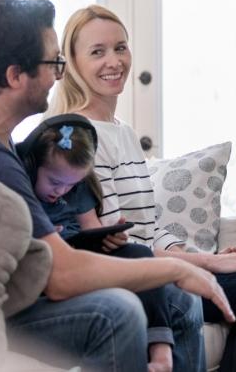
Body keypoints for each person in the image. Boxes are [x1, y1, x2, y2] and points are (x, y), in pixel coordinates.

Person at [0, 0, 235, 372]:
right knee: (118, 312)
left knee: (177, 300)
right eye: (54, 63)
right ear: (15, 75)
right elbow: (61, 277)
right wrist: (178, 269)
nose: (59, 75)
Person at [47, 4, 236, 372]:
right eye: (97, 52)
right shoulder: (81, 138)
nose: (114, 61)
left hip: (150, 264)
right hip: (129, 276)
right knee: (207, 296)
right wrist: (208, 261)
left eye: (120, 47)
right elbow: (121, 246)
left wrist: (191, 252)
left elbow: (147, 223)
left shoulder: (124, 132)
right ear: (74, 64)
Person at [16, 113, 187, 372]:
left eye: (70, 186)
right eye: (54, 182)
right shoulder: (21, 187)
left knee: (140, 254)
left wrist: (108, 236)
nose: (61, 191)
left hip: (81, 251)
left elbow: (90, 228)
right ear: (33, 164)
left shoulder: (77, 187)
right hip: (49, 260)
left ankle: (161, 349)